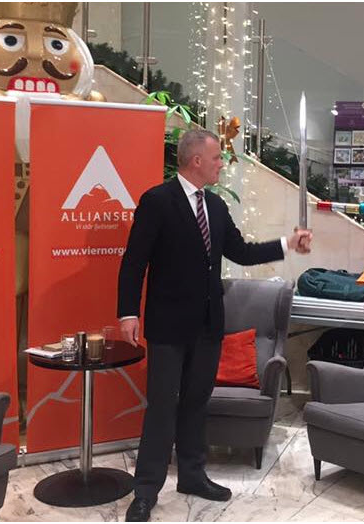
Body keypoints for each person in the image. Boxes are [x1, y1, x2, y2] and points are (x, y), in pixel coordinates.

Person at [117, 129, 313, 521]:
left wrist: (287, 244)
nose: (222, 164)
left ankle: (192, 476)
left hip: (208, 326)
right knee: (162, 407)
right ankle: (145, 491)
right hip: (167, 326)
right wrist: (127, 313)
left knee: (195, 403)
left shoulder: (217, 206)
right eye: (217, 158)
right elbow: (134, 261)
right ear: (196, 161)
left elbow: (241, 252)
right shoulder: (157, 201)